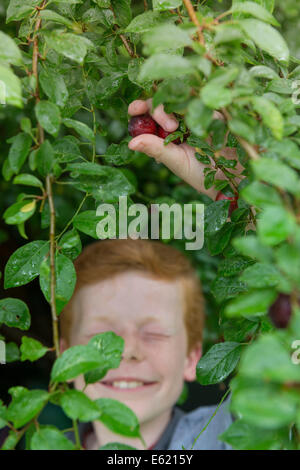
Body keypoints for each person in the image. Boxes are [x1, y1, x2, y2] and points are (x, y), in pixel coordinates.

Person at [59, 99, 243, 450]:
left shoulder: (236, 435)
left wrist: (242, 193)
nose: (128, 351)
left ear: (192, 357)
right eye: (102, 333)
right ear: (65, 356)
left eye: (155, 333)